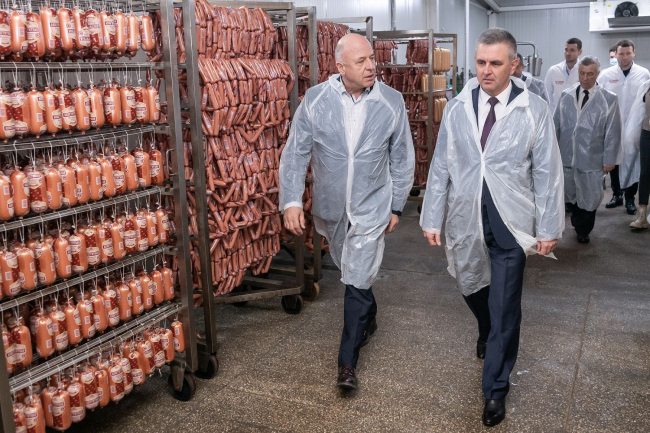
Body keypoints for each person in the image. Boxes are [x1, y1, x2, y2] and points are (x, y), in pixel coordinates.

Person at [420, 28, 564, 427]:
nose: (486, 70)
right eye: (481, 62)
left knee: (505, 305)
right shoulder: (457, 107)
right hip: (466, 215)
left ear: (513, 65)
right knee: (470, 284)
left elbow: (548, 171)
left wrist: (549, 226)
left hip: (511, 222)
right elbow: (442, 164)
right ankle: (485, 328)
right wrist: (431, 215)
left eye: (495, 63)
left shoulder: (534, 109)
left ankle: (495, 388)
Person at [279, 33, 415, 391]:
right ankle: (369, 315)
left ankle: (347, 362)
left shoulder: (391, 101)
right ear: (340, 66)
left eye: (372, 59)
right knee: (352, 272)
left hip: (373, 206)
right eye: (361, 61)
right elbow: (296, 153)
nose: (371, 66)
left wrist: (397, 205)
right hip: (332, 208)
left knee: (355, 281)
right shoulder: (316, 99)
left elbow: (402, 158)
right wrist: (291, 200)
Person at [554, 56, 622, 243]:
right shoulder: (566, 95)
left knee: (590, 196)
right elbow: (556, 125)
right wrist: (553, 153)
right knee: (572, 193)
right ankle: (578, 221)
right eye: (582, 73)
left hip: (592, 158)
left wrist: (609, 159)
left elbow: (613, 131)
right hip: (568, 156)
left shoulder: (608, 99)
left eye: (590, 74)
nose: (585, 78)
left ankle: (583, 231)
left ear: (598, 74)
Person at [597, 39, 650, 215]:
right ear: (616, 54)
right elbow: (599, 100)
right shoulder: (606, 75)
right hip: (612, 124)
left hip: (635, 126)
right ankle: (616, 195)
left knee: (633, 160)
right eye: (621, 54)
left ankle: (630, 198)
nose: (625, 57)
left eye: (628, 53)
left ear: (634, 53)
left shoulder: (643, 74)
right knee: (614, 160)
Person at [621, 79, 650, 229]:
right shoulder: (646, 86)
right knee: (645, 174)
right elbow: (638, 112)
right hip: (647, 133)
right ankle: (642, 215)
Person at [544, 37, 582, 112]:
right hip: (556, 114)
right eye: (566, 50)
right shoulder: (554, 70)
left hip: (577, 114)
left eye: (572, 50)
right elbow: (546, 95)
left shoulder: (584, 71)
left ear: (579, 52)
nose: (568, 53)